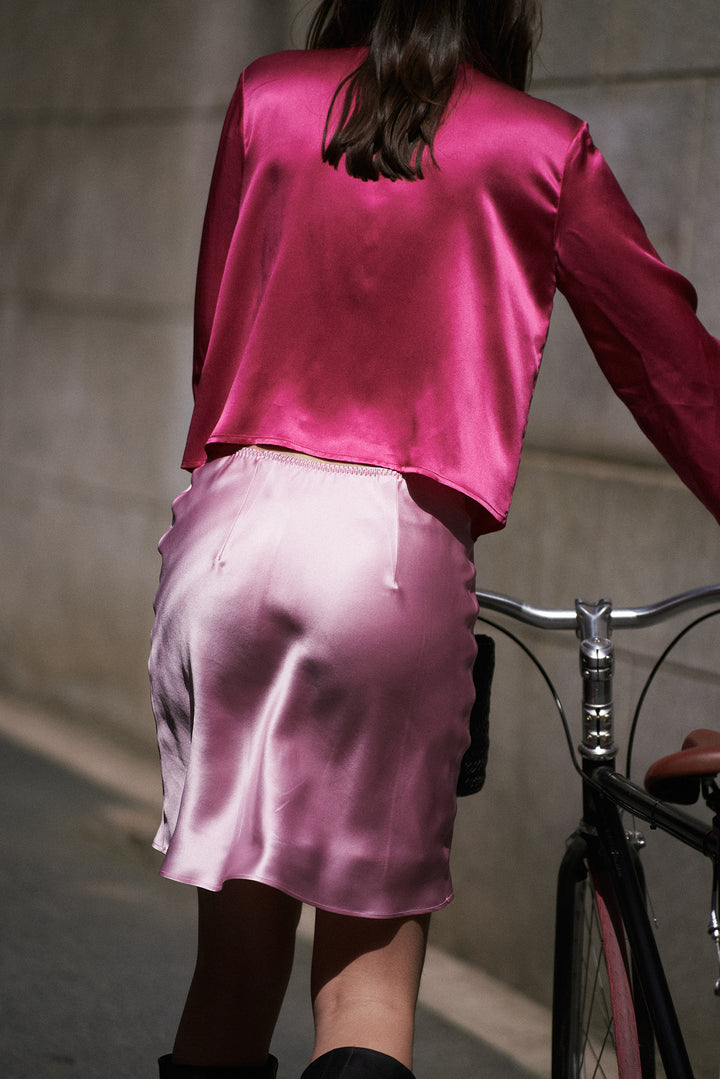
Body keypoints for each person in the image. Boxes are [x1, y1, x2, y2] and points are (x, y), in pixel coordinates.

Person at [148, 2, 720, 1077]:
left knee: (228, 976)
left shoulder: (269, 96)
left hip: (229, 536)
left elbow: (217, 332)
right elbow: (672, 370)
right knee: (364, 989)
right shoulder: (541, 148)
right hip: (387, 555)